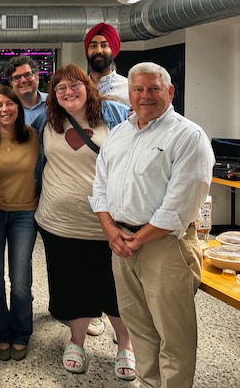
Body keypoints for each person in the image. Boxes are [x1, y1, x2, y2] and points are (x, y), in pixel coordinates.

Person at [90, 62, 215, 387]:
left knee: (174, 338)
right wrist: (110, 229)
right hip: (122, 244)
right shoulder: (120, 133)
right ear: (129, 95)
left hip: (166, 247)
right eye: (138, 89)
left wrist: (138, 238)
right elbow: (100, 185)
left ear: (170, 92)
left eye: (153, 88)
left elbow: (180, 204)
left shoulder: (188, 136)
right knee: (140, 331)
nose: (145, 96)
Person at [33, 64, 135, 380]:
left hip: (107, 224)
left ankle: (126, 346)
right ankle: (76, 341)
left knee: (116, 287)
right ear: (54, 94)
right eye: (60, 88)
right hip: (58, 222)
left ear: (87, 86)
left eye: (74, 85)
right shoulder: (47, 121)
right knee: (71, 285)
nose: (68, 92)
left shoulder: (114, 114)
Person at [0, 86, 39, 362]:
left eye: (9, 104)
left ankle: (21, 332)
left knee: (21, 281)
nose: (5, 110)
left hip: (25, 214)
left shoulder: (33, 136)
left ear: (18, 107)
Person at [85, 22, 130, 106]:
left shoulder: (128, 88)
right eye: (93, 46)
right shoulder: (78, 89)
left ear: (113, 50)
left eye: (104, 45)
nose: (98, 51)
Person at [3, 55, 47, 125]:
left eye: (27, 75)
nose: (23, 80)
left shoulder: (54, 102)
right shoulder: (6, 111)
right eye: (17, 77)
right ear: (11, 84)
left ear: (37, 78)